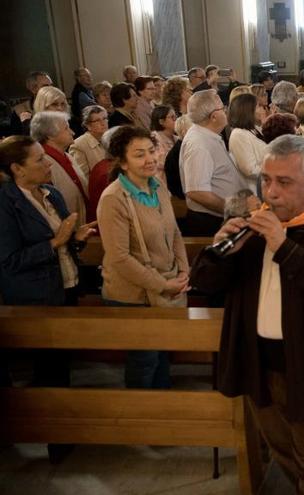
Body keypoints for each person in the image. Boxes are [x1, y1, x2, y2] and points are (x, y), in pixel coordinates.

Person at [189, 135, 304, 493]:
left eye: (284, 182)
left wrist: (284, 246)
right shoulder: (251, 228)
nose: (271, 193)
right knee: (282, 450)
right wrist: (220, 250)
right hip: (260, 366)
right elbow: (205, 282)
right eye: (266, 180)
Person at [0, 135, 97, 464]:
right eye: (39, 160)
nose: (47, 164)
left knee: (61, 364)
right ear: (17, 169)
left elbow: (66, 244)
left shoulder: (52, 194)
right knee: (47, 368)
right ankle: (52, 437)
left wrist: (76, 240)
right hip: (34, 298)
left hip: (65, 286)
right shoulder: (6, 204)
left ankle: (63, 430)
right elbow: (9, 261)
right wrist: (56, 242)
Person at [96, 126, 189, 389]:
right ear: (122, 162)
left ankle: (161, 409)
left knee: (162, 355)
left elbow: (174, 233)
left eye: (151, 151)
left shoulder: (157, 186)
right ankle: (141, 419)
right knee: (144, 359)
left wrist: (183, 271)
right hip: (132, 295)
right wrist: (163, 284)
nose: (150, 159)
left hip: (167, 284)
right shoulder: (114, 198)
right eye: (139, 155)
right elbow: (119, 257)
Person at [181, 89, 248, 235]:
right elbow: (197, 191)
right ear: (213, 116)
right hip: (210, 221)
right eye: (223, 108)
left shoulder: (208, 135)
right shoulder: (199, 144)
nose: (226, 111)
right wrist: (231, 208)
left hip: (219, 217)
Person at [31, 111, 90, 225]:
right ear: (50, 135)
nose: (72, 132)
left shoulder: (67, 155)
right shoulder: (43, 164)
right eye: (66, 128)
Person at [228, 93, 267, 194]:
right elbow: (250, 169)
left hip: (263, 184)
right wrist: (275, 168)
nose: (263, 108)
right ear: (248, 111)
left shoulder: (254, 128)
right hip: (253, 189)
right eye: (258, 106)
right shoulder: (238, 134)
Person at [70, 105, 108, 179]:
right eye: (97, 120)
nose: (103, 123)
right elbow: (83, 178)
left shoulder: (110, 138)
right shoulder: (78, 145)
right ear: (88, 125)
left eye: (104, 118)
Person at [149, 105, 177, 183]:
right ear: (161, 122)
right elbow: (161, 162)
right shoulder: (154, 138)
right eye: (172, 117)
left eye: (176, 117)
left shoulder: (176, 138)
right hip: (161, 181)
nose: (176, 120)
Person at [71, 68, 96, 133]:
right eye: (85, 75)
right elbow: (94, 106)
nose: (89, 77)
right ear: (78, 78)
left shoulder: (89, 89)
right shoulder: (79, 92)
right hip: (84, 126)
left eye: (89, 75)